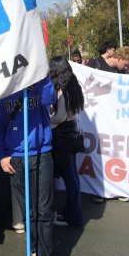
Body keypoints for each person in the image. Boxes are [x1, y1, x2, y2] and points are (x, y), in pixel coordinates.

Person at [0, 78, 63, 256]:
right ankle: (34, 254)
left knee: (44, 212)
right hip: (16, 158)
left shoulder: (39, 85)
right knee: (28, 213)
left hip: (41, 154)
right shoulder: (6, 91)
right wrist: (2, 155)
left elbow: (50, 98)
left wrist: (41, 72)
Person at [48, 57, 85, 228]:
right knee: (73, 176)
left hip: (63, 136)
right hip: (74, 132)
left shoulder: (62, 90)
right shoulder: (74, 85)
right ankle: (72, 212)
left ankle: (73, 216)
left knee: (69, 178)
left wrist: (46, 120)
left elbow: (60, 117)